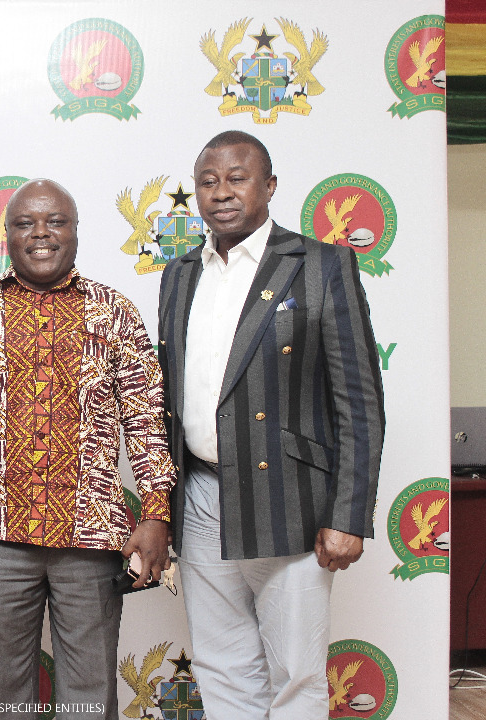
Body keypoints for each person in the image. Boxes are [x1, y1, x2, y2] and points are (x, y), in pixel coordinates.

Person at [0, 179, 175, 720]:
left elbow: (147, 421)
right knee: (3, 696)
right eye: (25, 223)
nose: (41, 234)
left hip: (91, 537)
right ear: (6, 236)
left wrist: (155, 513)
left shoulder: (114, 311)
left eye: (55, 222)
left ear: (76, 231)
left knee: (89, 696)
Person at [157, 130, 385, 720]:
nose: (221, 193)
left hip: (293, 502)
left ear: (270, 186)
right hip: (202, 497)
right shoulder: (180, 274)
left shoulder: (320, 264)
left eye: (237, 178)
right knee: (221, 667)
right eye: (208, 182)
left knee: (296, 675)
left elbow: (359, 402)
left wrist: (349, 516)